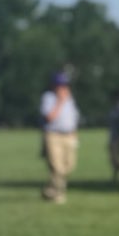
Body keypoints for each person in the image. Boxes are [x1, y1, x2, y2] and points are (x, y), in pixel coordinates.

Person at [39, 71, 79, 203]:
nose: (63, 88)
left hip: (69, 135)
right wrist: (60, 101)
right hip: (54, 135)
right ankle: (59, 194)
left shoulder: (70, 98)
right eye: (60, 85)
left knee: (69, 166)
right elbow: (49, 117)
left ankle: (50, 190)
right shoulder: (48, 98)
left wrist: (74, 132)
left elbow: (73, 117)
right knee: (57, 167)